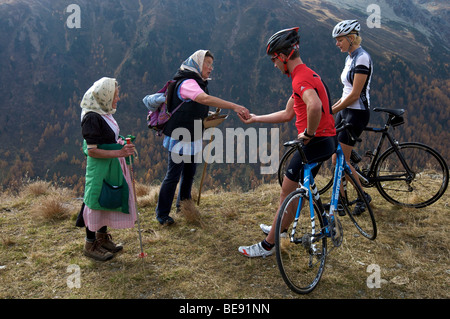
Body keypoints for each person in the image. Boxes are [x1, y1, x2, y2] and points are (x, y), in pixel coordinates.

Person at [237, 27, 337, 258]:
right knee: (297, 190)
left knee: (286, 193)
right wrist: (255, 119)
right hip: (325, 141)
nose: (274, 65)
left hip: (314, 144)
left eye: (274, 59)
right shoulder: (306, 74)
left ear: (283, 56)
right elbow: (287, 114)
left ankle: (267, 246)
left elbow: (314, 106)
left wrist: (309, 133)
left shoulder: (300, 79)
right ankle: (280, 228)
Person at [155, 50, 250, 226]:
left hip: (192, 135)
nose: (210, 68)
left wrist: (209, 116)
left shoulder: (198, 82)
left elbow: (197, 105)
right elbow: (204, 99)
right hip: (180, 136)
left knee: (189, 173)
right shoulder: (188, 82)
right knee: (173, 175)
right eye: (207, 63)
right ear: (197, 63)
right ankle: (162, 214)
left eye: (212, 64)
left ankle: (184, 205)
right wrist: (234, 106)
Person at [76, 77, 137, 261]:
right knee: (95, 200)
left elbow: (108, 138)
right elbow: (93, 151)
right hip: (100, 167)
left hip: (110, 165)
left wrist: (121, 144)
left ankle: (102, 239)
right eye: (115, 96)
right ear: (105, 96)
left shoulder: (103, 111)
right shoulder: (91, 117)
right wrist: (119, 153)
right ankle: (90, 244)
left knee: (107, 197)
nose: (117, 99)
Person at [331, 20, 373, 215]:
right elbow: (346, 91)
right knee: (335, 157)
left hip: (356, 112)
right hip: (346, 110)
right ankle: (340, 201)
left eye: (340, 40)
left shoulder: (362, 58)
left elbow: (355, 95)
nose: (337, 44)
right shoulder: (350, 57)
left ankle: (363, 197)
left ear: (351, 38)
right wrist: (332, 108)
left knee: (343, 161)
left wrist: (333, 110)